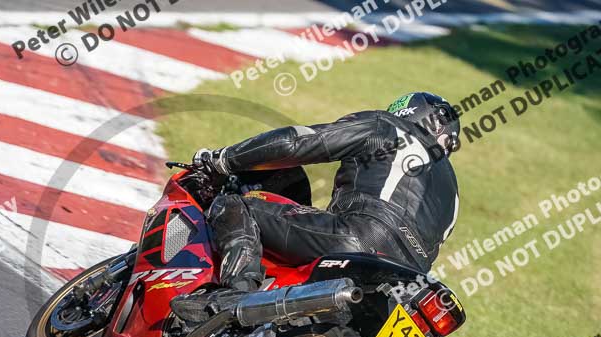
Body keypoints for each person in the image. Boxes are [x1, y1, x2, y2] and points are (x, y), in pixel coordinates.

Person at [171, 92, 461, 320]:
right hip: (404, 288)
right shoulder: (453, 194)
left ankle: (234, 297)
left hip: (357, 240)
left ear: (406, 113)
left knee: (237, 206)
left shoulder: (387, 127)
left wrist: (223, 159)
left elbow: (299, 142)